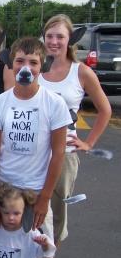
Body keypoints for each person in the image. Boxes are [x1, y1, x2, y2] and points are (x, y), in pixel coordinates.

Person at [0, 37, 72, 258]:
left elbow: (58, 153)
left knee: (41, 251)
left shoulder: (54, 103)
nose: (26, 67)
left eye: (33, 62)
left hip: (35, 191)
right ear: (12, 65)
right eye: (20, 61)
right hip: (5, 190)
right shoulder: (0, 103)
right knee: (2, 249)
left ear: (41, 65)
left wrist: (45, 197)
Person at [38, 14, 112, 246]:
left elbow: (105, 110)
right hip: (34, 152)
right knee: (33, 210)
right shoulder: (36, 67)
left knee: (58, 212)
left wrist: (88, 143)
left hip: (64, 155)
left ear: (70, 39)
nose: (54, 41)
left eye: (60, 36)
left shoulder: (80, 72)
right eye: (49, 36)